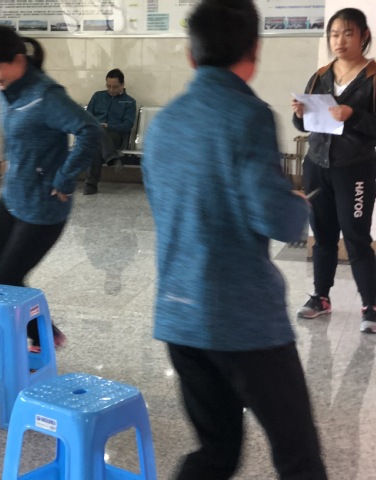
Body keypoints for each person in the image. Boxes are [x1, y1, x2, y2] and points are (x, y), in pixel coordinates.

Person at [141, 1, 327, 478]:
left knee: (217, 452)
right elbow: (275, 218)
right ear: (255, 51)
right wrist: (298, 205)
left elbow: (170, 203)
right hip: (242, 321)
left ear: (190, 54)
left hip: (178, 317)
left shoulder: (163, 123)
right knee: (298, 455)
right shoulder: (249, 115)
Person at [0, 25, 100, 350]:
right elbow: (16, 132)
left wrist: (65, 178)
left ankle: (42, 338)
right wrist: (10, 159)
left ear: (17, 61)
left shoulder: (46, 96)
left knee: (5, 279)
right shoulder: (7, 89)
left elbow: (90, 130)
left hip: (43, 207)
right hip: (13, 197)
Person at [291, 8, 376, 334]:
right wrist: (299, 114)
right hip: (317, 165)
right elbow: (305, 124)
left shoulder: (372, 77)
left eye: (348, 33)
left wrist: (353, 115)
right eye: (334, 34)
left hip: (354, 169)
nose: (339, 40)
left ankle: (371, 305)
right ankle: (321, 298)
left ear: (363, 35)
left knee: (355, 237)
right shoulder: (321, 75)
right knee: (322, 235)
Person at [83, 68, 136, 195]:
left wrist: (109, 126)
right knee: (96, 139)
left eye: (115, 87)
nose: (111, 90)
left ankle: (91, 184)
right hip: (96, 135)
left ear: (122, 85)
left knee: (97, 137)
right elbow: (87, 117)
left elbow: (127, 126)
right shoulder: (97, 96)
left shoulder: (129, 102)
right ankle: (112, 158)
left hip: (115, 136)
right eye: (108, 86)